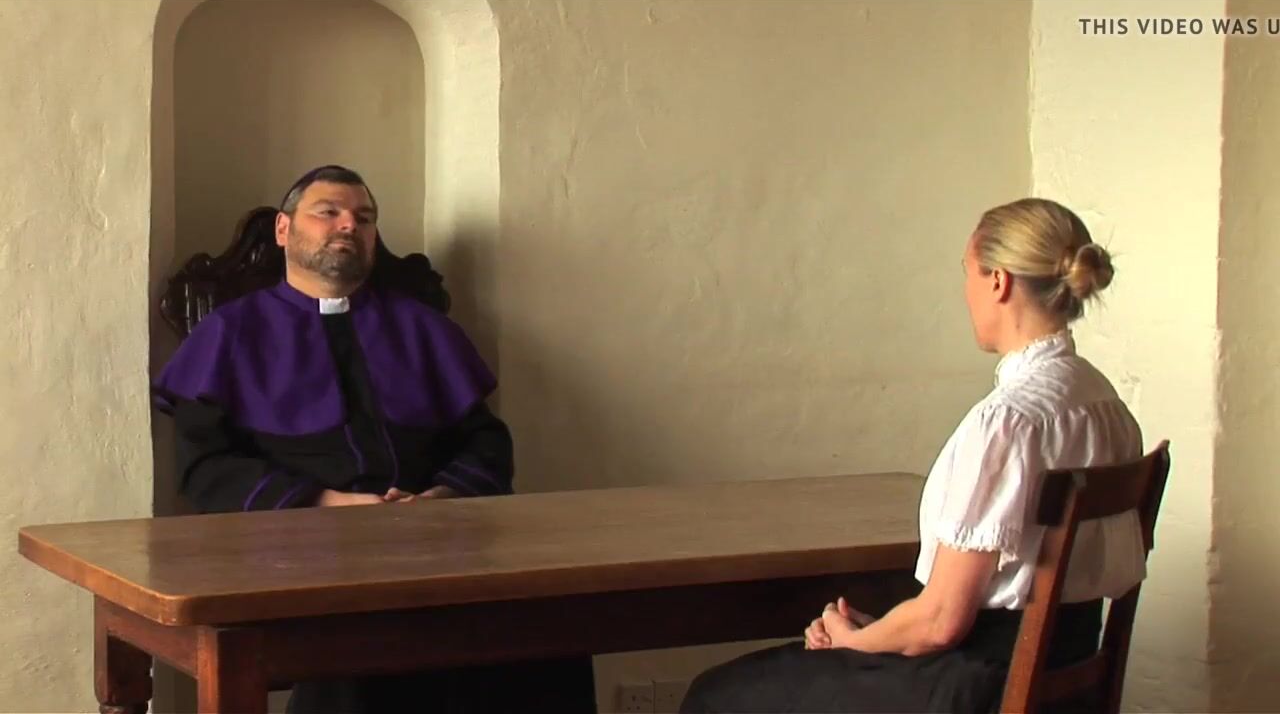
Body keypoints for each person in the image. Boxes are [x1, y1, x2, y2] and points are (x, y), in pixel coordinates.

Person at [153, 164, 597, 714]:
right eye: (329, 212)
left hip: (435, 541)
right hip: (292, 547)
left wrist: (441, 498)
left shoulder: (421, 328)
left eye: (364, 218)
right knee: (368, 641)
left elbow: (485, 442)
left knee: (552, 626)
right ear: (284, 230)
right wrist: (328, 506)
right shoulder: (230, 331)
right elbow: (204, 466)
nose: (349, 225)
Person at [680, 198, 1146, 714]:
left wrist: (850, 642)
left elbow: (942, 623)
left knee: (715, 696)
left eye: (967, 271)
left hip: (978, 686)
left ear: (998, 282)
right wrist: (882, 631)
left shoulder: (1009, 421)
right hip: (1061, 678)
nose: (965, 291)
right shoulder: (1106, 406)